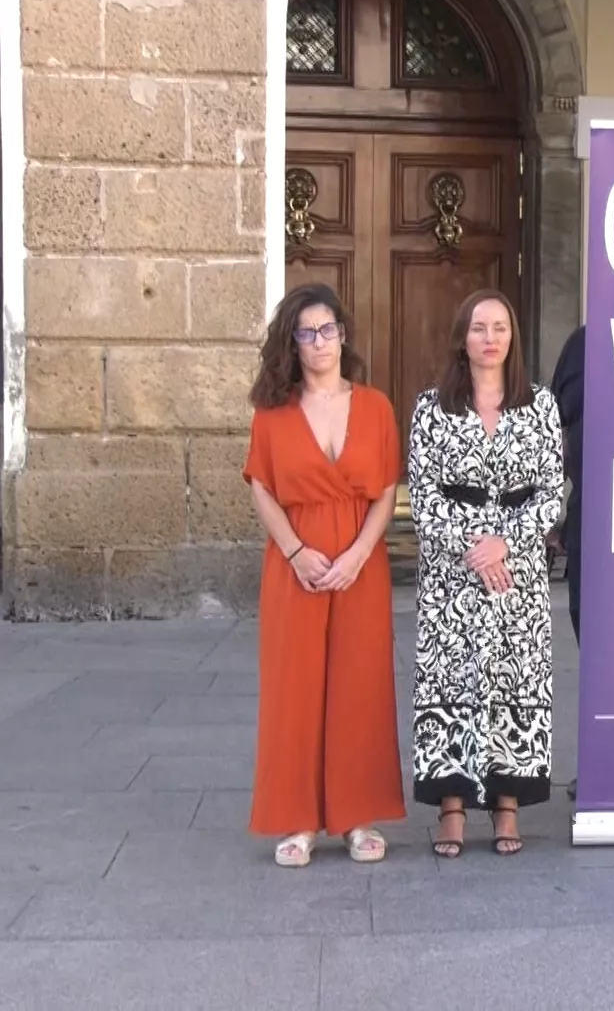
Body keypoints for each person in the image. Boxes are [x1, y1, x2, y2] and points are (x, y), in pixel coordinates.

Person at [241, 282, 408, 868]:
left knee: (360, 684)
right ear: (293, 341)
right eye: (308, 332)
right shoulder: (273, 410)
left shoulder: (377, 406)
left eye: (329, 329)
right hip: (297, 567)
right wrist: (293, 551)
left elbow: (387, 490)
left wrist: (361, 553)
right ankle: (298, 819)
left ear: (343, 334)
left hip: (360, 566)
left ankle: (357, 816)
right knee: (296, 686)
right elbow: (261, 486)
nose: (320, 341)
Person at [407, 289, 565, 857]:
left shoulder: (540, 405)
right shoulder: (431, 408)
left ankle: (506, 803)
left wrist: (506, 542)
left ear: (512, 337)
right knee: (451, 681)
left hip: (516, 574)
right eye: (479, 327)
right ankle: (451, 808)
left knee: (512, 680)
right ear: (462, 337)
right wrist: (475, 546)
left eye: (500, 327)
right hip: (453, 574)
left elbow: (552, 493)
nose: (490, 337)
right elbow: (422, 494)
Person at [549, 322, 587, 803]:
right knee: (597, 642)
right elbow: (557, 434)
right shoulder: (582, 344)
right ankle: (606, 759)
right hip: (592, 518)